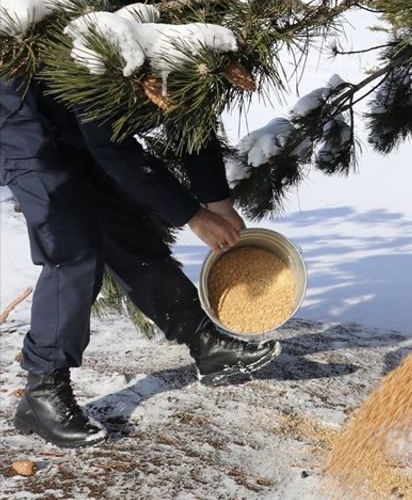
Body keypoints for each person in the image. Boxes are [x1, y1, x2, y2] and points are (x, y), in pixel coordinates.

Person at [1, 75, 281, 449]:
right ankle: (42, 389)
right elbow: (112, 149)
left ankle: (205, 343)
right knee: (73, 250)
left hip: (68, 118)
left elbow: (191, 120)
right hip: (21, 125)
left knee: (125, 232)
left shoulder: (180, 45)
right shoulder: (113, 55)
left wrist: (217, 201)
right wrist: (193, 216)